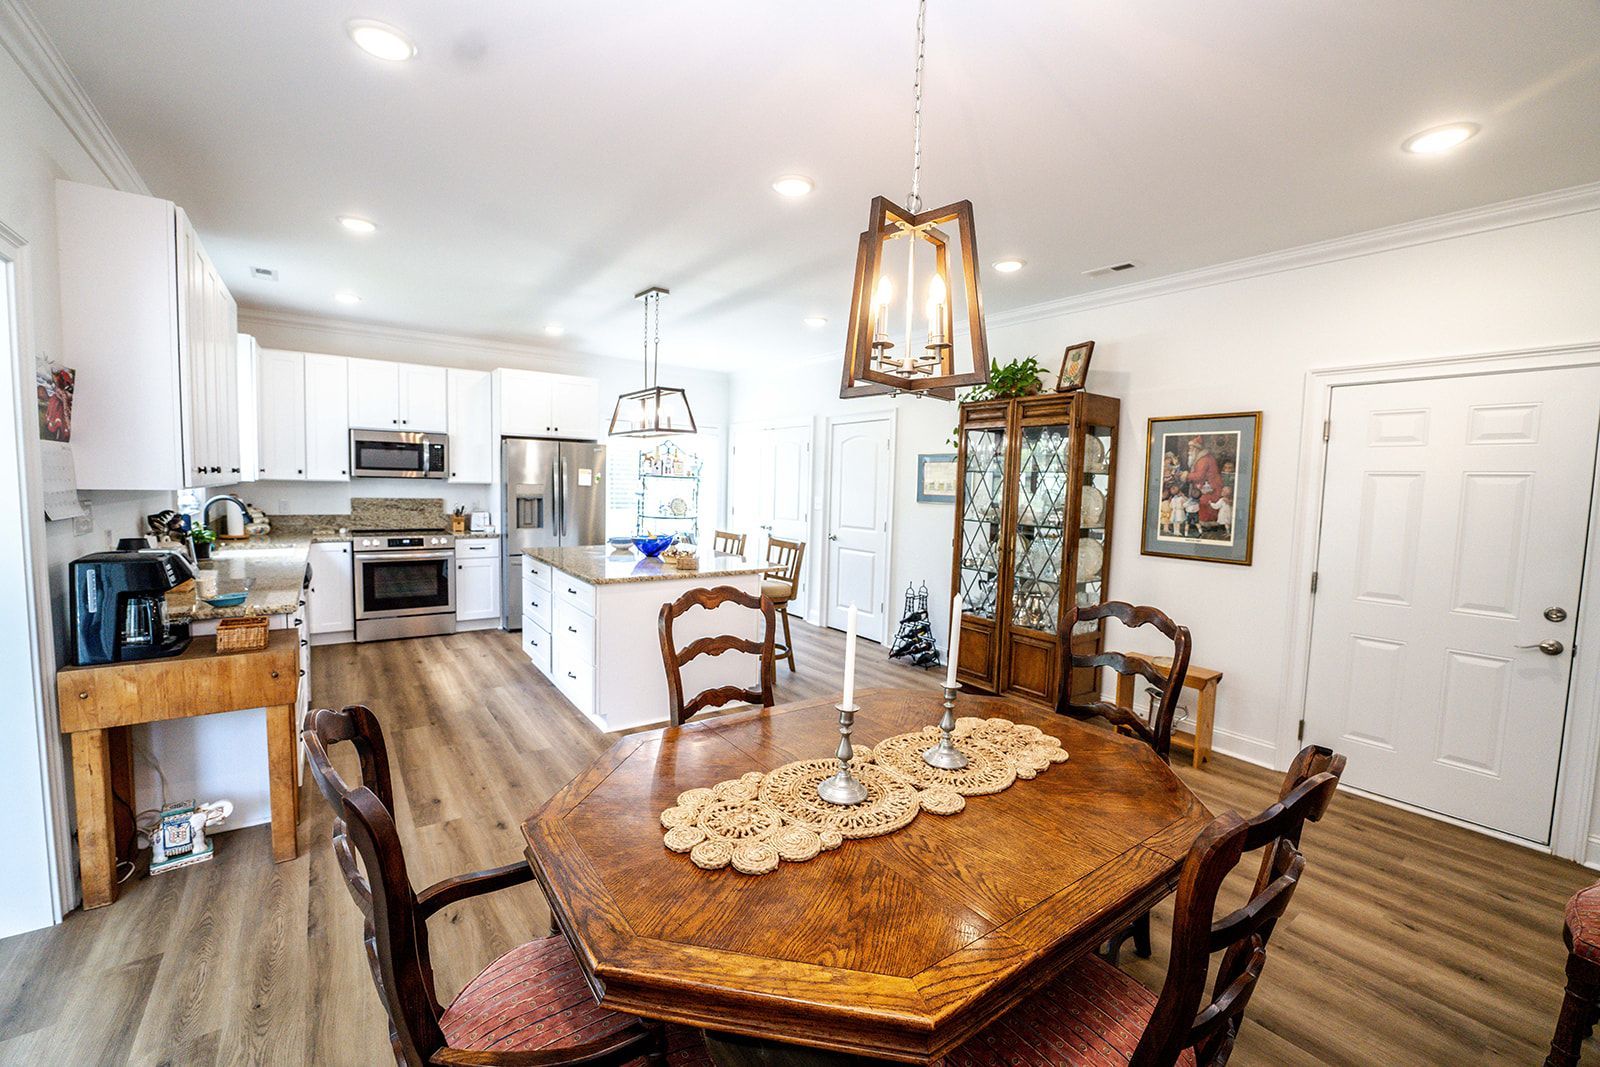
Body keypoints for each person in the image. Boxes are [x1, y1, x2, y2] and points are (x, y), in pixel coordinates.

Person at [1178, 435, 1224, 525]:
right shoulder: (1201, 458)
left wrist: (1186, 475)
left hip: (1211, 487)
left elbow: (1199, 476)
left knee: (1204, 503)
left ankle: (1205, 522)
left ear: (1196, 449)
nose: (1189, 451)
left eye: (1191, 449)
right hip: (1204, 486)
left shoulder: (1203, 459)